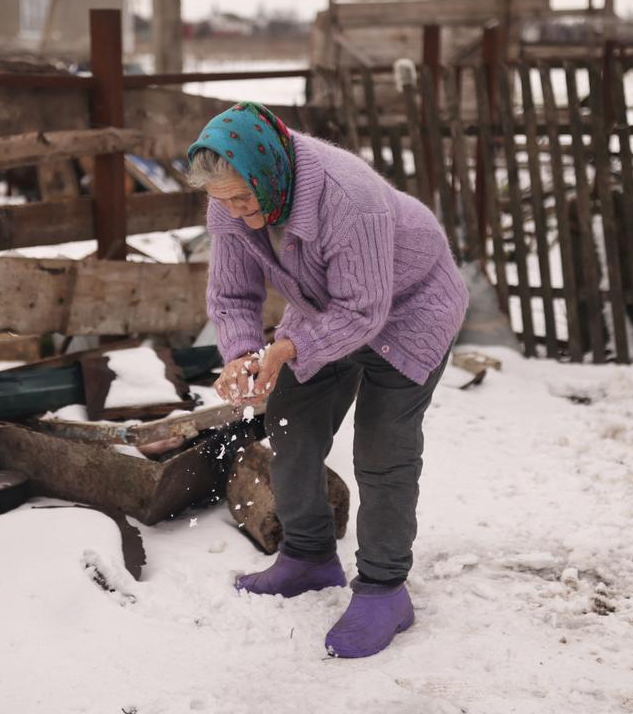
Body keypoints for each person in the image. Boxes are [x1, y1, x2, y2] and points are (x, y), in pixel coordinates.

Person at [187, 102, 468, 658]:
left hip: (411, 311)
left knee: (383, 452)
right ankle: (309, 558)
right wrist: (243, 354)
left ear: (271, 172)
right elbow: (231, 294)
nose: (238, 215)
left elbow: (364, 311)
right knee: (293, 427)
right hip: (324, 310)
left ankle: (386, 590)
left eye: (246, 199)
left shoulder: (348, 199)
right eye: (224, 203)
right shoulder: (231, 201)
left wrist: (287, 346)